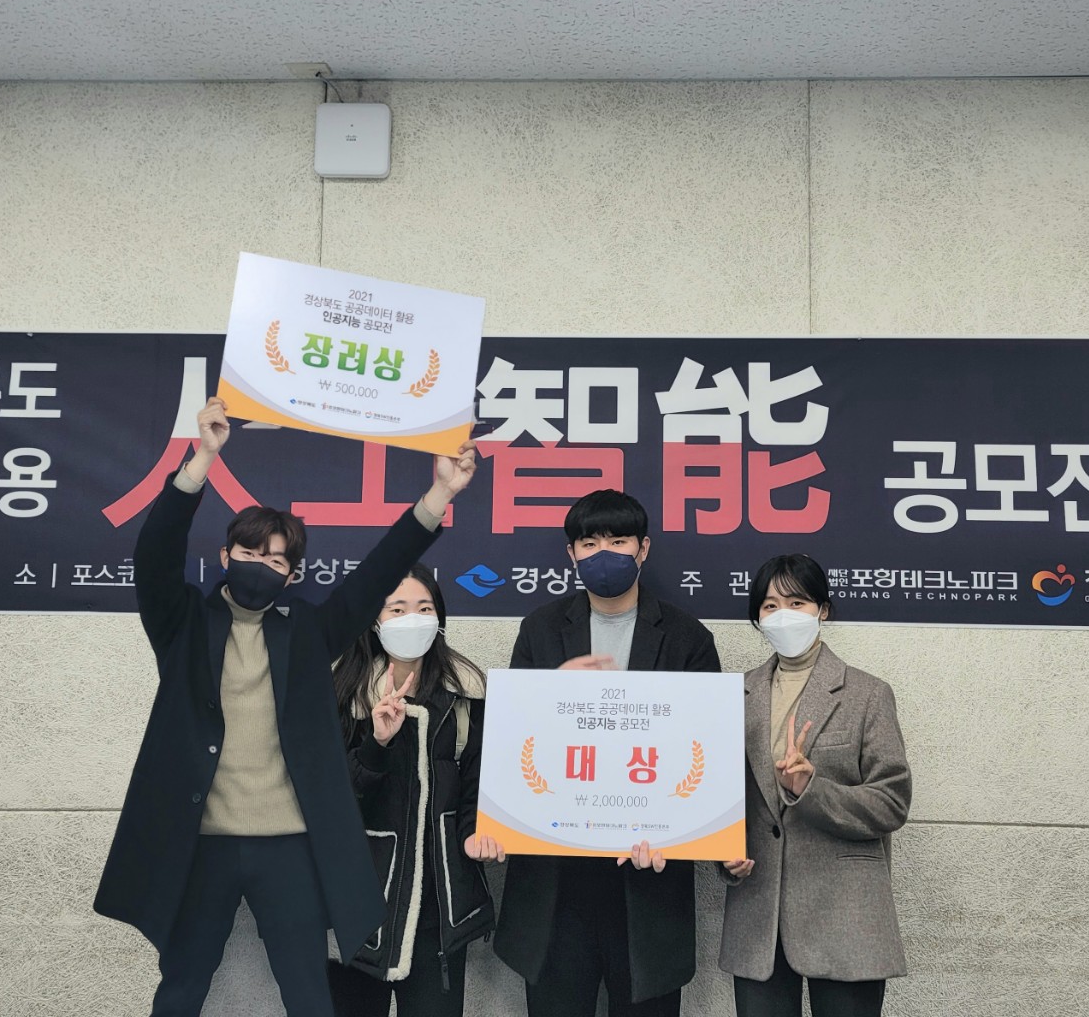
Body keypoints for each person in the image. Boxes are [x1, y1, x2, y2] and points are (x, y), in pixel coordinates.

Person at [93, 396, 478, 1017]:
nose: (261, 566)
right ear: (225, 559)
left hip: (290, 846)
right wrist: (202, 459)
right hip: (204, 844)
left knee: (308, 993)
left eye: (276, 560)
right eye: (249, 554)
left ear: (292, 576)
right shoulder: (182, 623)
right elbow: (154, 554)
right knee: (182, 987)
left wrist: (440, 495)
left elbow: (377, 576)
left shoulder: (307, 633)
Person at [493, 488, 722, 1017]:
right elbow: (510, 741)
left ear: (644, 548)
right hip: (557, 876)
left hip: (647, 876)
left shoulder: (687, 637)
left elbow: (706, 751)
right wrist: (552, 693)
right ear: (571, 554)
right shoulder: (540, 629)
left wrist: (681, 834)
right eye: (589, 543)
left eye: (618, 541)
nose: (604, 554)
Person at [718, 554, 911, 1017]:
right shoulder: (732, 696)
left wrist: (812, 788)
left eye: (797, 602)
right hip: (758, 913)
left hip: (846, 911)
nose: (783, 615)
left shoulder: (868, 693)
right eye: (770, 606)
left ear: (822, 609)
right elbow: (716, 797)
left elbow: (891, 802)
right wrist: (722, 856)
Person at [326, 562, 499, 1016]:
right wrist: (377, 743)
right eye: (397, 609)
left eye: (424, 608)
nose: (412, 619)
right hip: (357, 904)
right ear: (374, 619)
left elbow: (477, 786)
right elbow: (328, 800)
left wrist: (476, 834)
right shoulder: (342, 693)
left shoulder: (466, 694)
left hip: (438, 907)